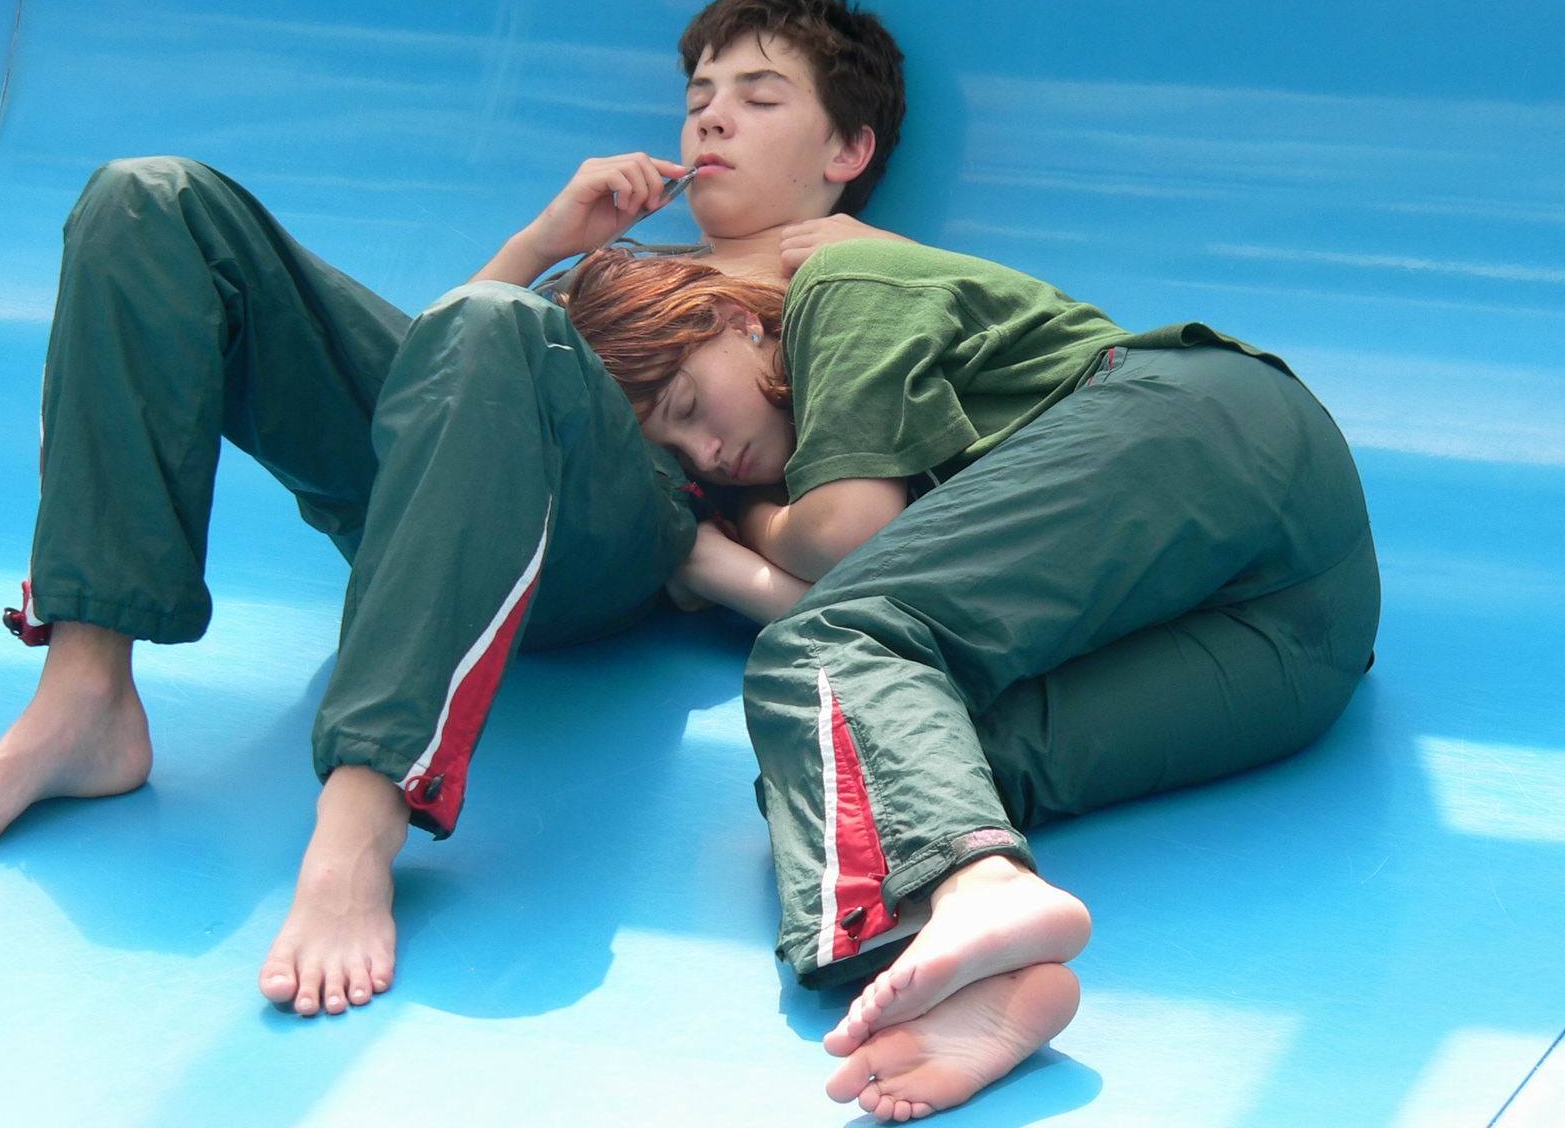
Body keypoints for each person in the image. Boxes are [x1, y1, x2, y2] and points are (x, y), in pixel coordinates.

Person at [0, 0, 918, 1020]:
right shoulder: (625, 271)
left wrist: (717, 545)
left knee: (503, 326)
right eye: (698, 100)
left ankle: (363, 817)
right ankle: (85, 695)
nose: (713, 119)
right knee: (147, 201)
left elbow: (862, 515)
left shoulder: (859, 283)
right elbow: (438, 373)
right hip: (438, 499)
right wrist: (545, 243)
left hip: (599, 551)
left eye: (759, 98)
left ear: (847, 151)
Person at [559, 239, 1381, 1119]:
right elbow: (867, 641)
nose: (708, 451)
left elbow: (844, 547)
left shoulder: (840, 290)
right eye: (678, 453)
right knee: (867, 768)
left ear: (734, 319)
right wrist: (727, 556)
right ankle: (981, 980)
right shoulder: (792, 474)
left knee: (820, 659)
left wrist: (737, 536)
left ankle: (985, 892)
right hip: (1295, 650)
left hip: (1215, 431)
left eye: (688, 405)